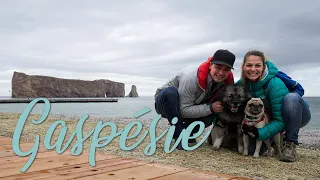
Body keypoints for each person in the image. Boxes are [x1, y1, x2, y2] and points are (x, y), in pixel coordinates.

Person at [237, 50, 311, 162]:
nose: (253, 69)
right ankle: (273, 142)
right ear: (243, 67)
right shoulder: (242, 84)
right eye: (249, 65)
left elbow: (280, 120)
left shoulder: (275, 84)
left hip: (294, 115)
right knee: (251, 150)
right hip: (267, 119)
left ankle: (290, 143)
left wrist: (259, 133)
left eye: (257, 65)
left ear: (263, 67)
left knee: (291, 98)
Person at [154, 49, 236, 150]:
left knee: (210, 116)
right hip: (165, 103)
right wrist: (210, 108)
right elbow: (183, 110)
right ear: (210, 65)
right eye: (218, 67)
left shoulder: (227, 84)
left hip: (193, 104)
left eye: (226, 70)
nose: (221, 73)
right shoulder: (191, 77)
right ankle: (179, 136)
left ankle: (188, 134)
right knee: (170, 93)